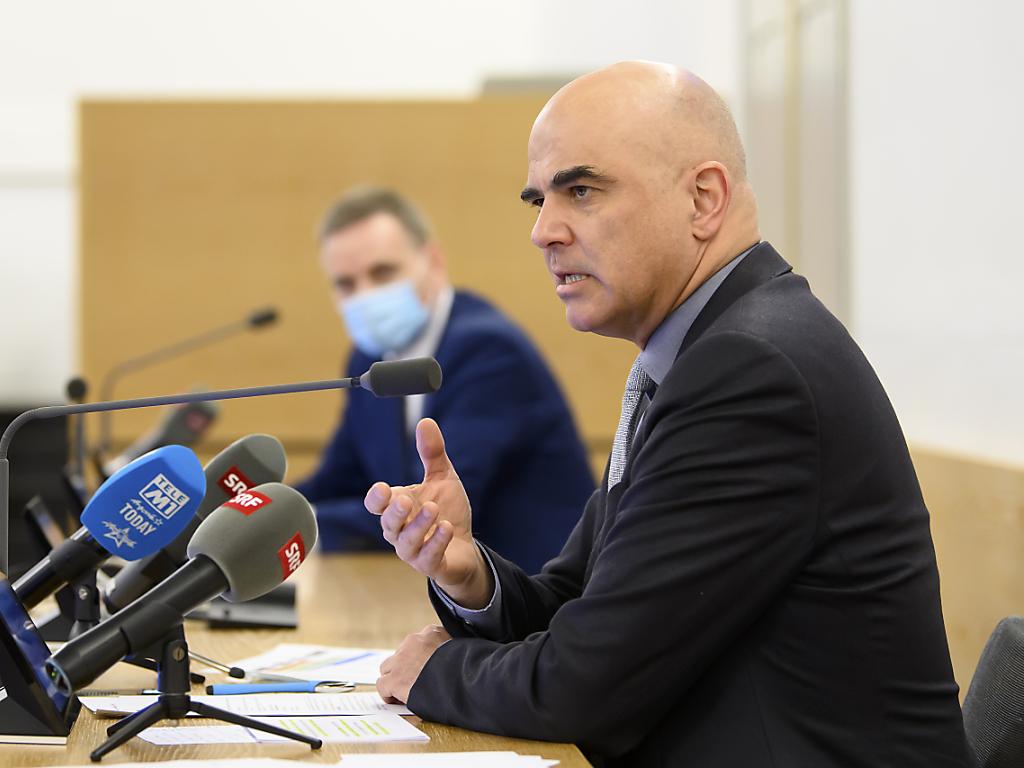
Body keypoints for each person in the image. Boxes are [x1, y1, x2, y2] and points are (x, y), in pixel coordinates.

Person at [364, 63, 970, 767]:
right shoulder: (700, 352)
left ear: (704, 199)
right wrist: (471, 577)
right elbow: (581, 604)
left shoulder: (749, 371)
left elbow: (586, 687)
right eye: (538, 199)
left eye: (581, 191)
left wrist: (434, 673)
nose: (543, 231)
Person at [295, 187, 593, 574]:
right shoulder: (369, 361)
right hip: (439, 588)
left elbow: (429, 509)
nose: (365, 296)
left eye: (382, 273)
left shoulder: (489, 351)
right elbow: (339, 479)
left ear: (433, 262)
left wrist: (296, 529)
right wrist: (256, 514)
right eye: (345, 284)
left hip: (540, 590)